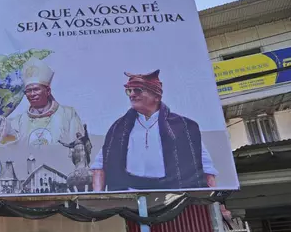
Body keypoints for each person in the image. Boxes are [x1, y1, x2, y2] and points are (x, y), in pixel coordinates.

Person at [90, 70, 218, 191]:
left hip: (174, 197)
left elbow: (206, 168)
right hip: (130, 197)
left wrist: (218, 205)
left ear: (156, 96)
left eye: (138, 90)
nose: (132, 95)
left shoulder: (183, 126)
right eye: (129, 91)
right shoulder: (118, 128)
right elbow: (99, 166)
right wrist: (98, 198)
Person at [10, 57, 86, 149]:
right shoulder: (18, 121)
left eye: (36, 89)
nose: (32, 94)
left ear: (48, 91)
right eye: (28, 91)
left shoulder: (68, 114)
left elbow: (79, 147)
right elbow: (12, 151)